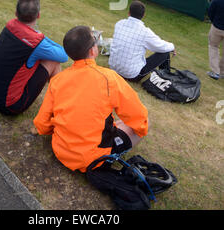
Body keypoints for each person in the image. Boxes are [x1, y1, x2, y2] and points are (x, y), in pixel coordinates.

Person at [33, 25, 149, 173]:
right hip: (94, 159)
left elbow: (42, 124)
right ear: (93, 51)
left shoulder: (58, 80)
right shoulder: (109, 78)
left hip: (60, 151)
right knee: (144, 122)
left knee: (115, 122)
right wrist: (141, 129)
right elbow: (139, 117)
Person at [0, 0, 68, 115]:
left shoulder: (10, 24)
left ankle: (60, 103)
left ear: (16, 13)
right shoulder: (36, 43)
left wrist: (37, 37)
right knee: (52, 60)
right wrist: (40, 36)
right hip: (10, 106)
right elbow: (64, 55)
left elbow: (31, 41)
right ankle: (61, 105)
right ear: (38, 15)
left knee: (41, 55)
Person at [109, 0, 176, 82]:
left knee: (164, 48)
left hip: (113, 69)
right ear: (143, 15)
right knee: (165, 52)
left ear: (129, 13)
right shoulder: (145, 32)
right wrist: (172, 46)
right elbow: (162, 47)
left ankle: (165, 76)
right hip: (131, 75)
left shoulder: (119, 24)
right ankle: (166, 78)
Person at [207, 0, 224, 80]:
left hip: (217, 27)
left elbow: (210, 11)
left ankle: (215, 72)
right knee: (213, 46)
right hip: (217, 26)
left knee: (213, 46)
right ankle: (221, 72)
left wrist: (214, 21)